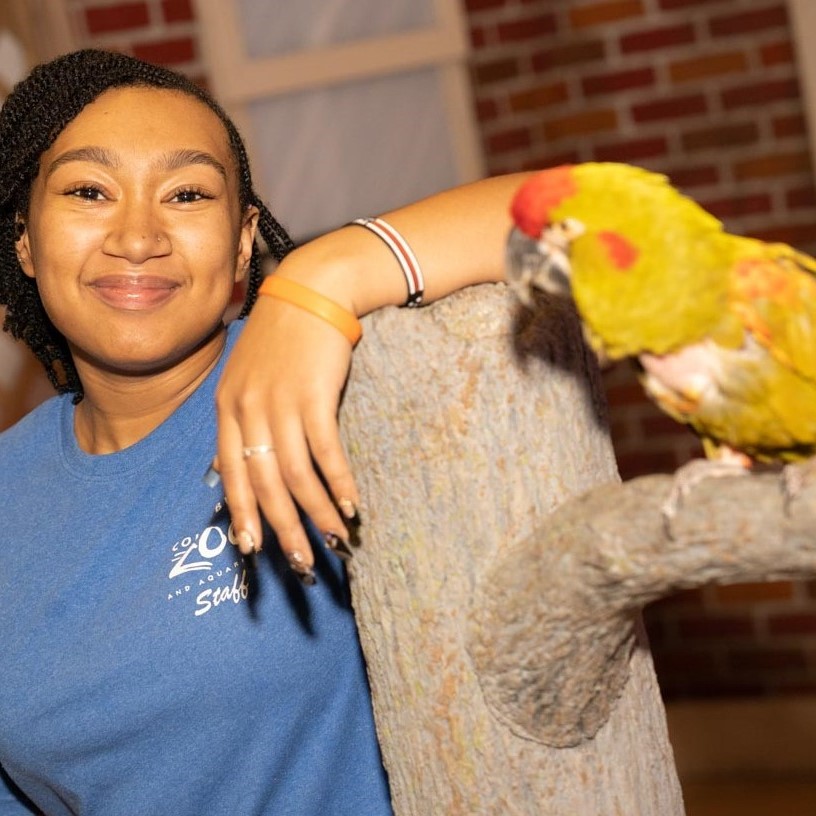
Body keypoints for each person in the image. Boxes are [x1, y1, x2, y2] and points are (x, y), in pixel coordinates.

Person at [0, 49, 526, 814]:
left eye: (185, 194)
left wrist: (319, 281)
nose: (138, 236)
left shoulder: (321, 369)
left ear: (244, 239)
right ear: (24, 239)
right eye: (89, 191)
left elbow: (593, 216)